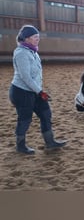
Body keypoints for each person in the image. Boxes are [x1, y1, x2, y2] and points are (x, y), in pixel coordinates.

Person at [8, 25, 67, 154]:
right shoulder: (21, 53)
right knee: (25, 119)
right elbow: (26, 77)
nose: (38, 39)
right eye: (35, 37)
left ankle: (50, 142)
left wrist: (39, 91)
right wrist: (40, 92)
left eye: (38, 37)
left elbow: (36, 75)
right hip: (21, 91)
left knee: (46, 113)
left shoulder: (33, 51)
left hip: (35, 91)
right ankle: (20, 146)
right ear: (27, 38)